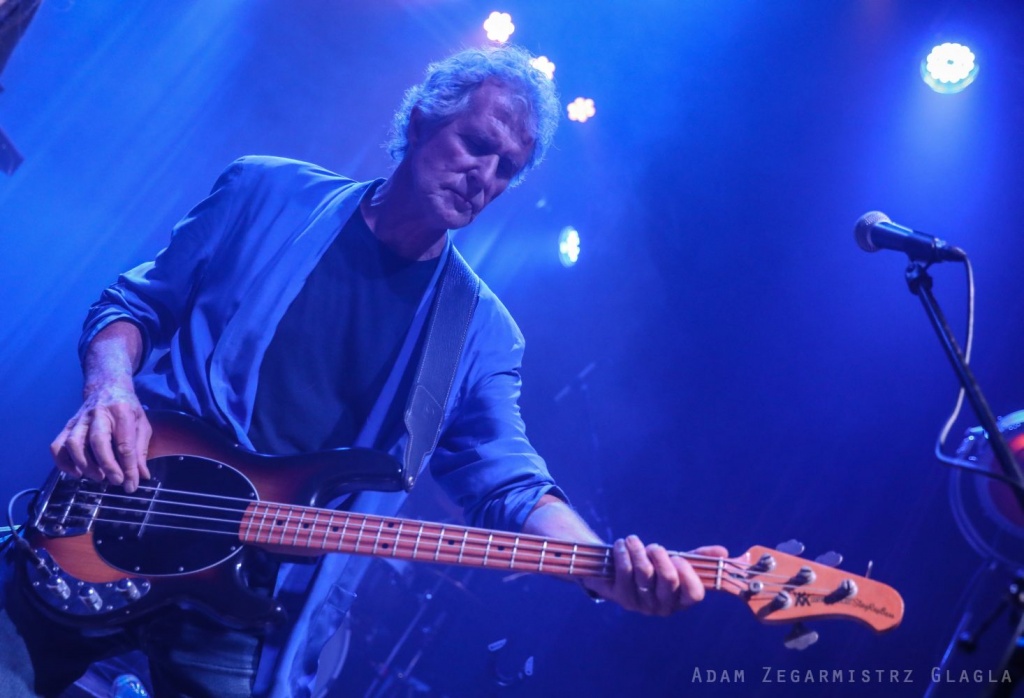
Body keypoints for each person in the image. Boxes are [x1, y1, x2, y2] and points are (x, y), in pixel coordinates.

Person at [4, 45, 726, 697]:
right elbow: (133, 305)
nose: (485, 176)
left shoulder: (481, 333)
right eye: (477, 144)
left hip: (247, 605)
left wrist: (602, 566)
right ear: (420, 121)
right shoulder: (264, 192)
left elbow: (508, 480)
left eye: (507, 168)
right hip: (116, 510)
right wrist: (109, 391)